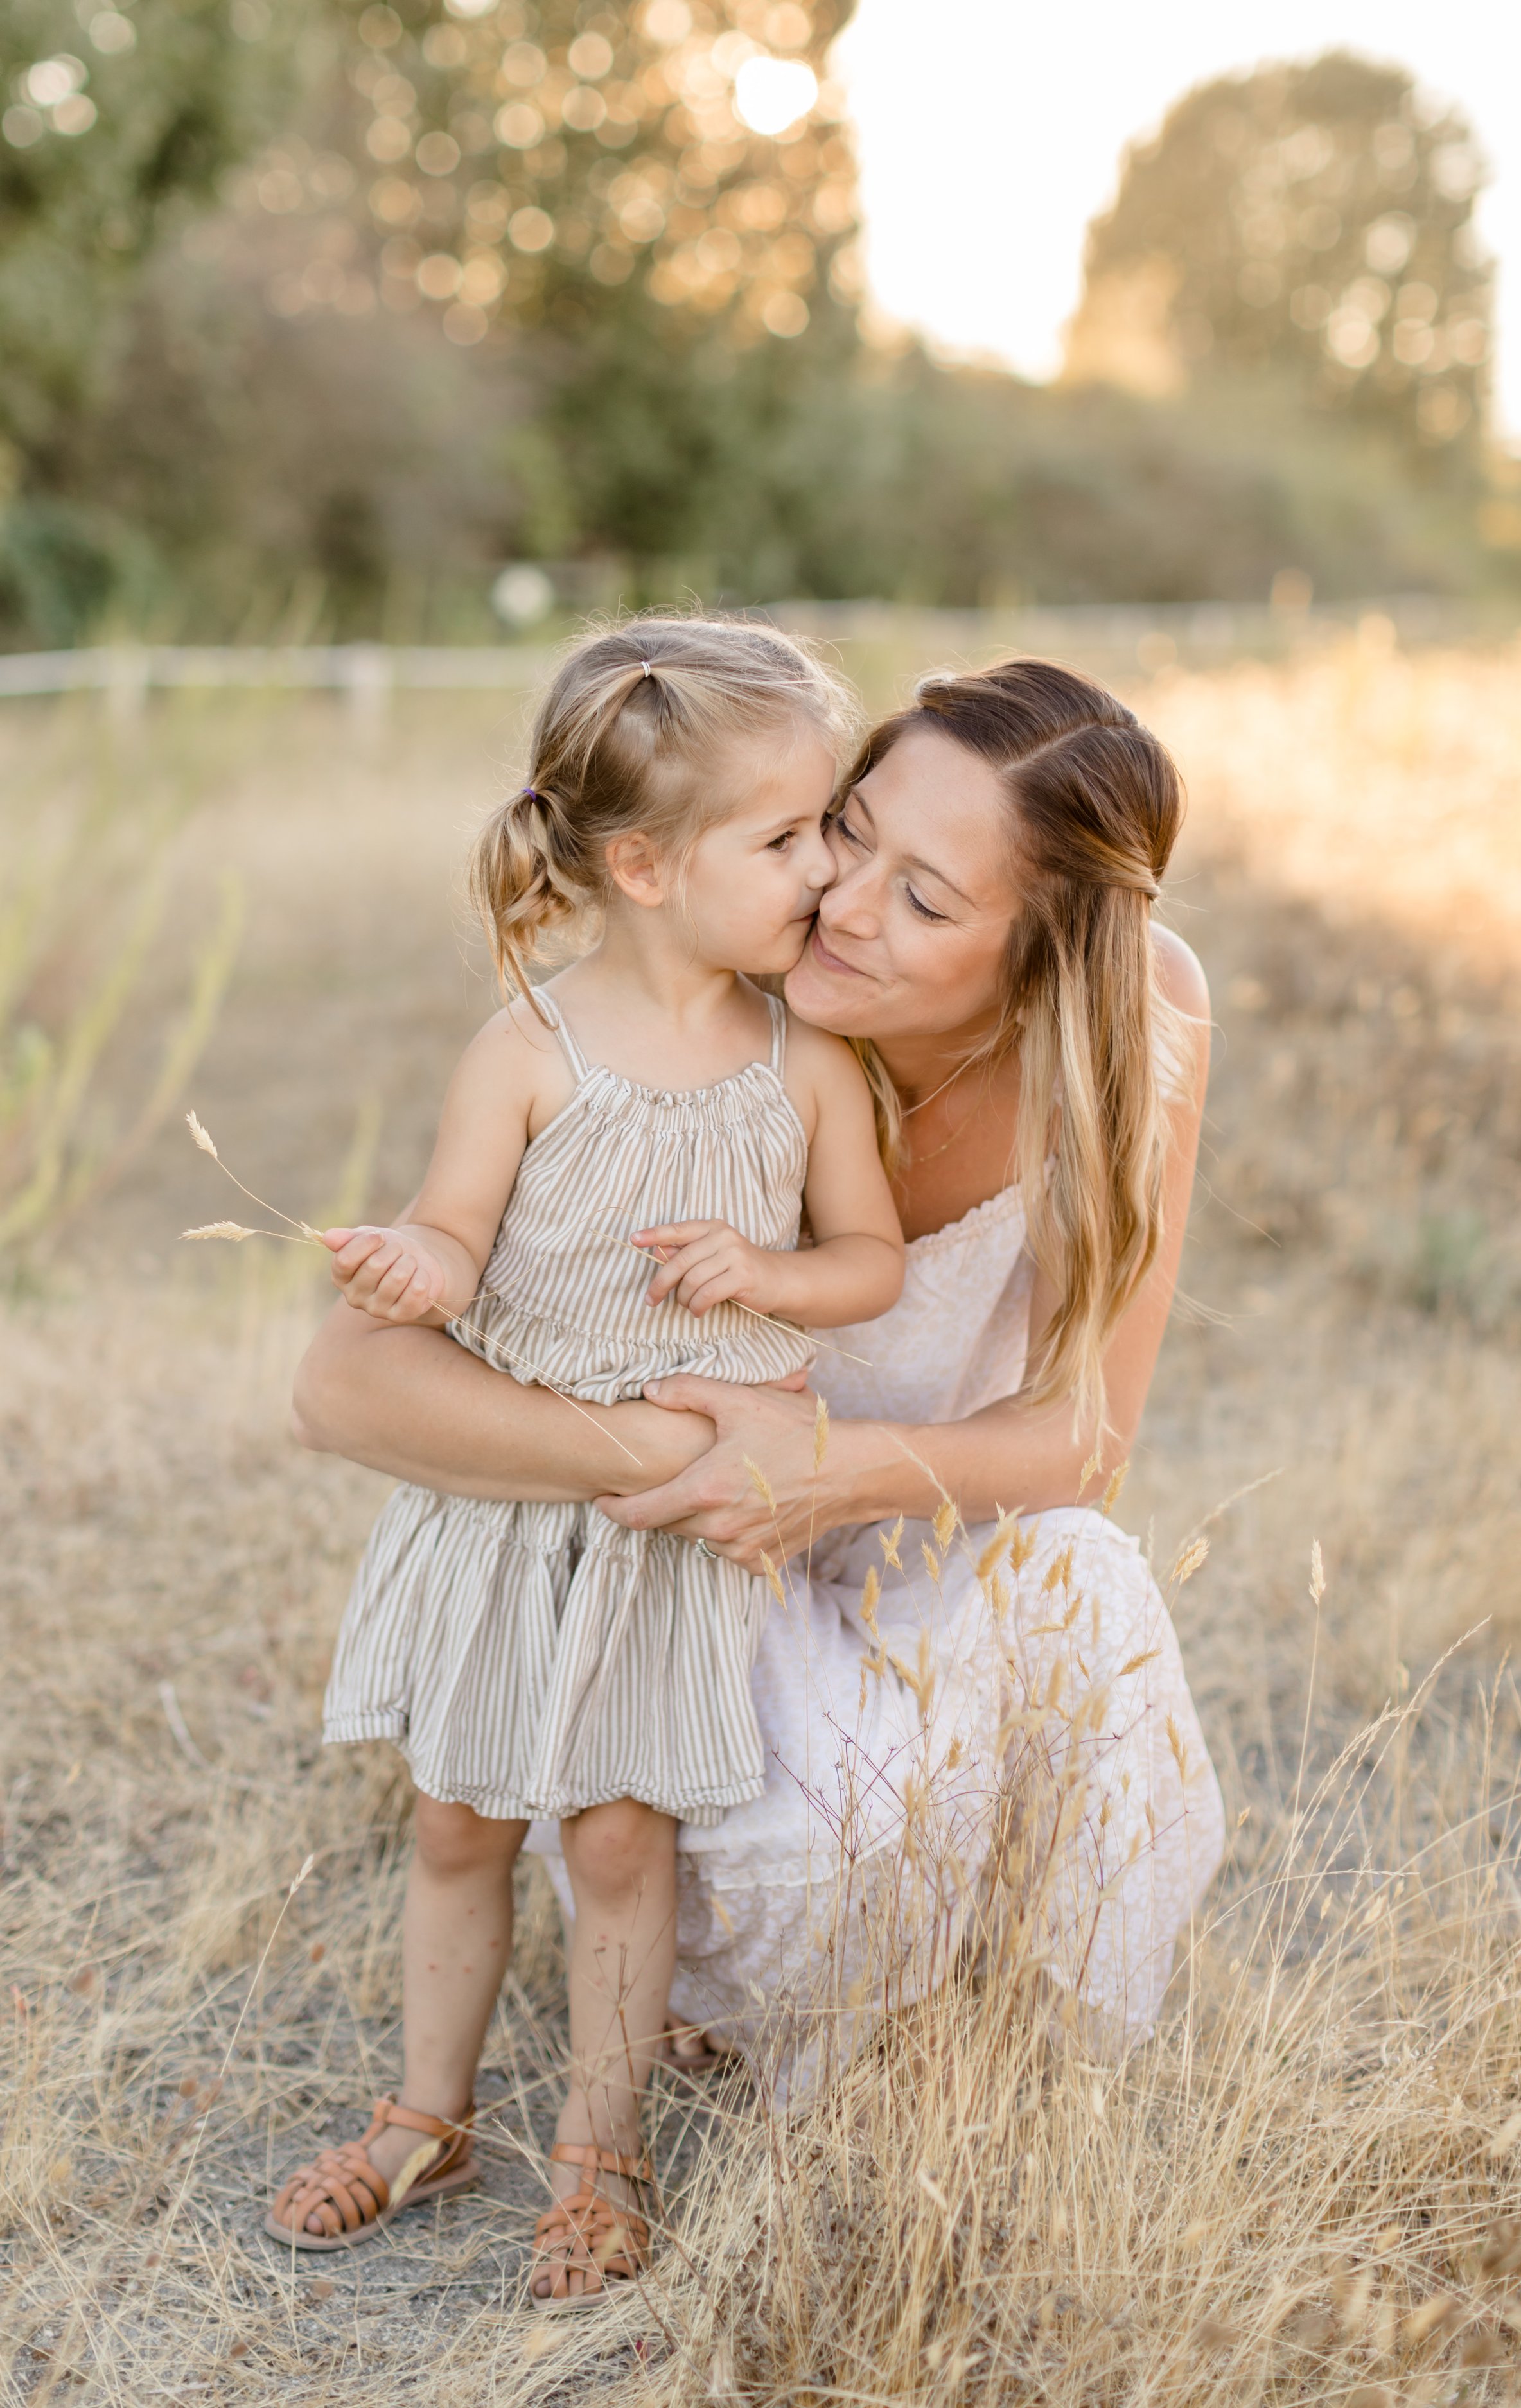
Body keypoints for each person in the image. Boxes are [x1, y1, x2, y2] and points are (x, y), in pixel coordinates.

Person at [288, 650, 1227, 2298]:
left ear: (1043, 950)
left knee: (1080, 1586)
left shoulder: (1125, 1027)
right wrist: (675, 1451)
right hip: (692, 1534)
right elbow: (348, 1378)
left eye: (921, 896)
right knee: (641, 1823)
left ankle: (963, 2043)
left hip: (888, 1518)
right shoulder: (705, 985)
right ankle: (554, 2079)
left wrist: (828, 1464)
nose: (840, 904)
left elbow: (1082, 1439)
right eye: (844, 831)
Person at [265, 621, 903, 2304]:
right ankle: (426, 2110)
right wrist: (415, 1264)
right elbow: (457, 1239)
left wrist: (767, 1278)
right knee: (459, 1819)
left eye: (827, 822)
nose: (828, 867)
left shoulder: (804, 1064)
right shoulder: (528, 1049)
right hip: (506, 1510)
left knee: (622, 1841)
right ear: (641, 863)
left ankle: (599, 2148)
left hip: (671, 1525)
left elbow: (869, 1263)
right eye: (785, 838)